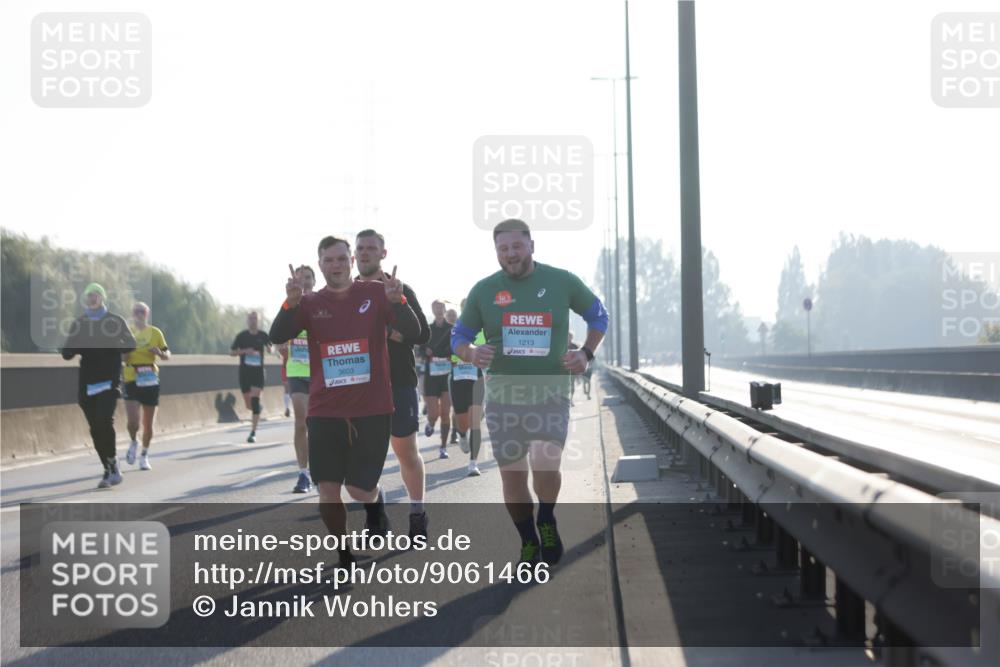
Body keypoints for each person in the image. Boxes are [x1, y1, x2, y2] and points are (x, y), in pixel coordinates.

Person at [452, 219, 608, 566]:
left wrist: (586, 353)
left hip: (551, 392)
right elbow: (459, 336)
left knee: (545, 464)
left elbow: (599, 316)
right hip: (502, 398)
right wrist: (470, 353)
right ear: (496, 252)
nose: (510, 254)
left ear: (531, 246)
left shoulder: (562, 281)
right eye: (503, 248)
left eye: (517, 246)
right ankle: (527, 540)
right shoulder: (483, 290)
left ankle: (547, 518)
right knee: (513, 477)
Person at [269, 236, 420, 567]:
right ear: (320, 265)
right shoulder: (309, 302)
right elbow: (277, 335)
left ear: (351, 262)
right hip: (325, 409)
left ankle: (375, 503)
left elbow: (414, 332)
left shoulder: (376, 293)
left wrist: (399, 302)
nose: (335, 265)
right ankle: (343, 552)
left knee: (358, 489)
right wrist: (289, 303)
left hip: (372, 408)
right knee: (327, 490)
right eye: (328, 260)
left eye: (341, 259)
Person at [354, 229, 432, 538]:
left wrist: (392, 327)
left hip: (398, 382)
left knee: (406, 451)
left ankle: (417, 512)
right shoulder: (345, 292)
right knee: (361, 460)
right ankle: (376, 513)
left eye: (371, 248)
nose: (365, 253)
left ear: (382, 254)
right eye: (360, 248)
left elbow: (422, 334)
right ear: (354, 254)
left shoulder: (399, 288)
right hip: (359, 386)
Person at [61, 283, 137, 488]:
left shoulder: (115, 321)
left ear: (102, 298)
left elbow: (131, 344)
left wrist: (112, 345)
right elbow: (66, 352)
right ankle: (108, 467)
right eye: (89, 295)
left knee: (104, 421)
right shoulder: (80, 323)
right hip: (87, 382)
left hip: (109, 380)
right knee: (95, 428)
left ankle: (112, 464)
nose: (92, 298)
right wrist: (74, 348)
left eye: (95, 295)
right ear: (86, 299)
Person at [277, 264, 316, 493]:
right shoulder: (289, 305)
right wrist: (282, 348)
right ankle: (304, 473)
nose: (305, 282)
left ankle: (324, 468)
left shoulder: (322, 303)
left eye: (308, 277)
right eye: (300, 278)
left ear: (314, 281)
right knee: (301, 421)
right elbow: (278, 336)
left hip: (322, 374)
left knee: (320, 425)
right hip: (297, 372)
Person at [123, 302, 170, 471]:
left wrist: (160, 353)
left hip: (150, 378)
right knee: (133, 422)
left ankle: (144, 454)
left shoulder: (155, 332)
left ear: (147, 314)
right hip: (131, 377)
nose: (139, 314)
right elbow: (122, 357)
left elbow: (167, 354)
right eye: (136, 311)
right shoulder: (127, 332)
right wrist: (127, 351)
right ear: (132, 314)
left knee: (148, 424)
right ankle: (133, 441)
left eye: (142, 311)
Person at [449, 299, 486, 477]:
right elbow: (442, 351)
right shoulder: (454, 330)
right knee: (463, 422)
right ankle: (461, 434)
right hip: (458, 379)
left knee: (475, 422)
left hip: (476, 378)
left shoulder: (483, 330)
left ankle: (473, 463)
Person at [230, 311, 272, 443]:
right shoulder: (241, 336)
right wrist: (244, 351)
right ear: (247, 321)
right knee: (249, 405)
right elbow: (232, 352)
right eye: (251, 318)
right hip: (245, 373)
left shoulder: (263, 335)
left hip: (258, 373)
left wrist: (270, 349)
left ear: (258, 320)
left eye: (255, 318)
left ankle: (253, 433)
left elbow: (271, 347)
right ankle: (257, 409)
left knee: (254, 401)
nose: (253, 320)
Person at [423, 300, 454, 459]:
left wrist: (452, 355)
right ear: (432, 310)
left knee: (446, 413)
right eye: (435, 307)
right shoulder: (427, 329)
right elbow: (419, 348)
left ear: (444, 309)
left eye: (441, 307)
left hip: (447, 375)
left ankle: (443, 447)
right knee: (434, 413)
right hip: (432, 375)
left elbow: (458, 348)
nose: (438, 309)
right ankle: (430, 423)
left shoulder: (452, 329)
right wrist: (425, 351)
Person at [445, 306, 461, 444]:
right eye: (449, 315)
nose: (451, 317)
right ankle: (454, 433)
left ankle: (464, 429)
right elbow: (445, 351)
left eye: (453, 315)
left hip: (470, 371)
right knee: (455, 407)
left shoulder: (463, 330)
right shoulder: (445, 333)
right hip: (452, 372)